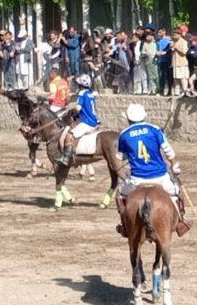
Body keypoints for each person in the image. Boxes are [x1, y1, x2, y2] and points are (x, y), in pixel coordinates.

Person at [115, 103, 190, 237]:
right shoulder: (155, 129)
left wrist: (130, 156)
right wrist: (174, 166)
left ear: (128, 119)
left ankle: (125, 226)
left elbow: (120, 157)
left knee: (120, 194)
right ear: (144, 117)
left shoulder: (124, 135)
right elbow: (168, 151)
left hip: (137, 179)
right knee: (177, 192)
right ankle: (181, 222)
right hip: (160, 176)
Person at [58, 74, 100, 166]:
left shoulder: (82, 93)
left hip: (87, 121)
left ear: (80, 85)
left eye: (78, 84)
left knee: (69, 135)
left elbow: (78, 108)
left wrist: (70, 108)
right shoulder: (90, 93)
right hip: (94, 120)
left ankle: (66, 158)